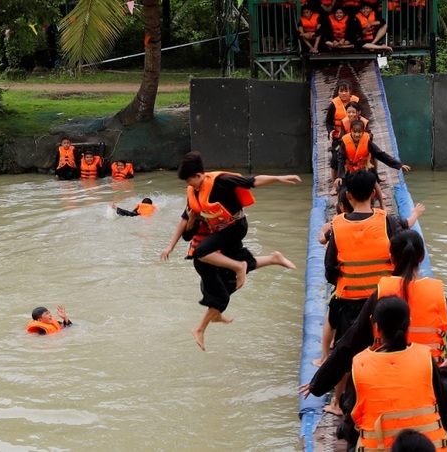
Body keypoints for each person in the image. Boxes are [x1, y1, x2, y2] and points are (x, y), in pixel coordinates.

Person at [302, 229, 447, 423]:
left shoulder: (381, 295)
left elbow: (351, 343)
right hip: (428, 382)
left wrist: (318, 383)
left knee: (353, 393)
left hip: (386, 381)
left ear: (391, 259)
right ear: (421, 258)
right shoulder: (437, 297)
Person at [160, 151, 301, 351]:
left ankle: (237, 269)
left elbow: (252, 181)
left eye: (190, 180)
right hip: (221, 233)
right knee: (221, 277)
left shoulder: (222, 181)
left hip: (235, 227)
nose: (189, 185)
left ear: (199, 175)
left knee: (202, 255)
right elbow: (184, 221)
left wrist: (278, 178)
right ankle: (272, 259)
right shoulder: (195, 192)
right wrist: (170, 246)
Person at [320, 296, 447, 451]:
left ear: (376, 327)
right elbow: (444, 403)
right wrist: (445, 373)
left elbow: (352, 419)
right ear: (409, 322)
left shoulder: (360, 364)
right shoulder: (425, 357)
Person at [312, 188, 425, 369]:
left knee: (335, 324)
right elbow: (407, 225)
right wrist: (415, 213)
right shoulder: (385, 220)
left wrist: (337, 281)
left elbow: (325, 251)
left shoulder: (336, 226)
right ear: (372, 194)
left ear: (342, 205)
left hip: (349, 294)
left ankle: (325, 357)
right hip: (380, 291)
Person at [333, 120, 411, 209]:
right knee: (341, 186)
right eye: (354, 132)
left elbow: (381, 154)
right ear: (350, 131)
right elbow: (341, 159)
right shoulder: (345, 142)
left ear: (363, 132)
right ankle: (339, 205)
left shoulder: (367, 141)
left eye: (359, 132)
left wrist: (399, 165)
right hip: (350, 170)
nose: (357, 135)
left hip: (364, 168)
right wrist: (339, 176)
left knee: (373, 181)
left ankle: (382, 204)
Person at [326, 80, 361, 185]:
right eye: (341, 91)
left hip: (356, 137)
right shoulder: (334, 104)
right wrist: (330, 131)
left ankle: (375, 177)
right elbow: (328, 122)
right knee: (335, 160)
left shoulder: (356, 102)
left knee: (371, 153)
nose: (344, 93)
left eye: (346, 91)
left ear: (350, 92)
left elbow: (363, 118)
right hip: (339, 138)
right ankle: (334, 184)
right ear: (338, 92)